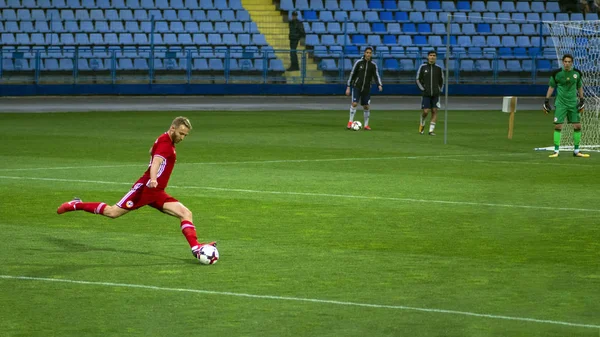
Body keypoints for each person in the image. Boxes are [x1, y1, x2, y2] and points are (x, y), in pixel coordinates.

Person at [56, 117, 216, 259]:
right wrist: (153, 179)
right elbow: (156, 163)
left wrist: (154, 171)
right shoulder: (166, 145)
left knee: (185, 213)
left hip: (157, 192)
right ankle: (76, 204)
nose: (182, 138)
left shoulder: (163, 140)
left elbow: (151, 152)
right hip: (144, 190)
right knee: (112, 212)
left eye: (185, 135)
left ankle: (196, 248)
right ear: (173, 128)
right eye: (181, 133)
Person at [543, 54, 588, 158]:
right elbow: (551, 87)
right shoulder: (557, 74)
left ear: (572, 63)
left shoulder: (577, 74)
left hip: (573, 103)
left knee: (577, 126)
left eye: (569, 62)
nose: (567, 63)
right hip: (561, 104)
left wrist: (582, 100)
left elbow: (579, 87)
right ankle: (556, 151)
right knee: (558, 125)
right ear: (563, 62)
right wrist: (546, 101)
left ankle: (576, 151)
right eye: (565, 61)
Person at [345, 46, 383, 131]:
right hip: (357, 87)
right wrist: (348, 86)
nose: (368, 54)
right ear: (364, 53)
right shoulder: (358, 63)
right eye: (367, 52)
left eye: (370, 53)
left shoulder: (373, 65)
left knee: (366, 106)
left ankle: (366, 125)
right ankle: (350, 122)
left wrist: (379, 84)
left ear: (371, 54)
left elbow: (376, 75)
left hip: (366, 88)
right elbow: (352, 74)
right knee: (354, 103)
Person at [416, 50, 444, 136]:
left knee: (434, 111)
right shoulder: (423, 67)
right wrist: (423, 89)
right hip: (426, 94)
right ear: (428, 57)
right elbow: (417, 79)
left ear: (436, 57)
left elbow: (442, 81)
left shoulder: (439, 69)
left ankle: (431, 131)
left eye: (434, 55)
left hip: (436, 94)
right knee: (425, 111)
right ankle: (422, 123)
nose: (432, 57)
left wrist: (440, 90)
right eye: (431, 55)